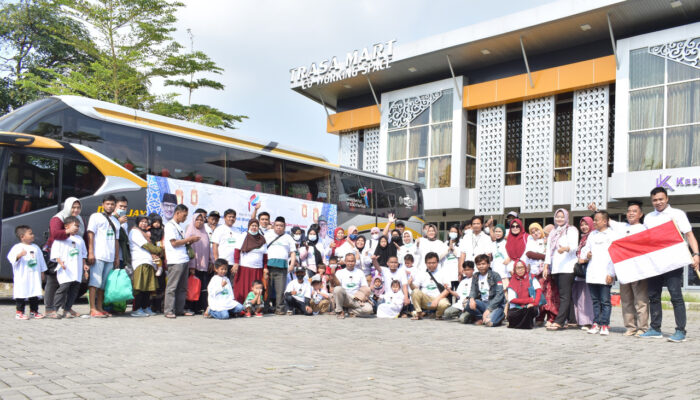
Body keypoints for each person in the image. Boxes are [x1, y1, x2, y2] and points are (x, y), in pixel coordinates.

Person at [641, 187, 700, 342]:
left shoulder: (677, 214)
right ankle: (655, 328)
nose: (658, 202)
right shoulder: (648, 218)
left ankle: (680, 331)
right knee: (653, 296)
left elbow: (689, 235)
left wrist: (696, 254)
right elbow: (645, 240)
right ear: (651, 201)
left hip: (673, 262)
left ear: (667, 199)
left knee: (676, 296)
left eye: (661, 199)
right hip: (654, 263)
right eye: (655, 200)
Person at [589, 200, 649, 336]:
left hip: (638, 269)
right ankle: (630, 327)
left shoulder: (644, 228)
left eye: (634, 211)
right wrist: (595, 210)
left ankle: (642, 328)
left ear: (641, 214)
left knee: (640, 300)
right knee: (627, 299)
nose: (631, 213)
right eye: (629, 211)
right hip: (623, 269)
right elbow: (606, 220)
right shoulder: (621, 226)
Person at [45, 196, 84, 319]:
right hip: (57, 254)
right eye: (73, 207)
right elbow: (55, 234)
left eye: (78, 207)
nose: (76, 210)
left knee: (70, 284)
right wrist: (69, 231)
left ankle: (67, 308)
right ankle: (49, 309)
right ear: (68, 207)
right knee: (53, 282)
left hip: (73, 255)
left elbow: (83, 236)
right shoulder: (58, 218)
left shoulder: (79, 219)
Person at [579, 211, 617, 336]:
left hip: (605, 272)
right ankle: (596, 323)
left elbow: (614, 255)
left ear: (605, 221)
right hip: (592, 272)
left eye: (597, 220)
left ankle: (605, 324)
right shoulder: (592, 235)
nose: (594, 222)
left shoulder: (612, 234)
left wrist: (611, 273)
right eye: (594, 220)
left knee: (605, 301)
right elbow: (585, 250)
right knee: (595, 301)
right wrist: (587, 254)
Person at [544, 208, 579, 331]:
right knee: (565, 295)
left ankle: (559, 321)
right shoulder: (553, 232)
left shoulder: (571, 230)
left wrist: (565, 248)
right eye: (557, 216)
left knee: (564, 296)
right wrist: (546, 266)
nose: (559, 219)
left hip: (567, 267)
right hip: (556, 268)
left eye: (562, 216)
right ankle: (572, 321)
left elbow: (575, 246)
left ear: (566, 217)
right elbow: (548, 250)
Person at [86, 195, 121, 318]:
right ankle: (92, 308)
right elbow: (90, 234)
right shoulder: (95, 216)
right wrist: (90, 252)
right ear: (103, 204)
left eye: (112, 204)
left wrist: (116, 257)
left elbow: (116, 240)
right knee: (94, 282)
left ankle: (100, 308)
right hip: (98, 255)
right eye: (107, 204)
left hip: (110, 257)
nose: (110, 206)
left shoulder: (117, 221)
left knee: (103, 285)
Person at [163, 204, 200, 319]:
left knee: (183, 287)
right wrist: (189, 239)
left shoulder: (179, 227)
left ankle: (179, 309)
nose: (185, 218)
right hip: (175, 260)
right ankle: (168, 310)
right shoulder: (169, 226)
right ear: (177, 213)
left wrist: (190, 242)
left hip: (183, 259)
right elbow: (174, 243)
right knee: (172, 287)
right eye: (184, 215)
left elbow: (181, 243)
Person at [50, 216, 87, 318]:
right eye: (75, 225)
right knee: (63, 288)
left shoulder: (79, 239)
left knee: (74, 290)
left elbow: (83, 254)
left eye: (78, 226)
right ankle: (54, 309)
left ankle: (67, 309)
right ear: (66, 226)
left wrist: (84, 265)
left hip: (77, 269)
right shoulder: (61, 239)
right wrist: (60, 262)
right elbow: (56, 253)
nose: (77, 228)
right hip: (66, 269)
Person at [8, 226, 46, 319]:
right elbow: (11, 258)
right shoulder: (17, 247)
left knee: (34, 292)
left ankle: (34, 311)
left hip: (34, 275)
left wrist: (42, 272)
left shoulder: (36, 247)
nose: (33, 235)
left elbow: (41, 261)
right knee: (21, 292)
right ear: (22, 236)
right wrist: (19, 255)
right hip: (22, 276)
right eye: (30, 234)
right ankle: (20, 312)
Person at [129, 215, 163, 317]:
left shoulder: (146, 234)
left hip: (149, 263)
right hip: (140, 262)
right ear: (137, 222)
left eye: (145, 222)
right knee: (139, 287)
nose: (144, 224)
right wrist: (159, 250)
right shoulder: (135, 232)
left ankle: (145, 307)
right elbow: (147, 246)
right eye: (142, 222)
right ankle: (136, 309)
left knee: (148, 288)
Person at [525, 222, 558, 325]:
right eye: (532, 232)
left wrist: (539, 256)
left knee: (550, 295)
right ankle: (540, 316)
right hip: (536, 273)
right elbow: (529, 254)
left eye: (537, 230)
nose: (535, 233)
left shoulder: (548, 241)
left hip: (548, 272)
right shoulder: (530, 241)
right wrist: (543, 256)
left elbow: (551, 255)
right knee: (539, 294)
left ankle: (551, 317)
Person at [264, 216, 297, 314]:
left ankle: (279, 309)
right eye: (277, 225)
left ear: (285, 227)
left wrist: (291, 265)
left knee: (280, 290)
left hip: (282, 268)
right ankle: (265, 308)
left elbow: (293, 252)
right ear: (273, 225)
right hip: (268, 266)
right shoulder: (267, 235)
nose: (279, 227)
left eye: (281, 226)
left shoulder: (288, 237)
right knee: (267, 289)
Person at [233, 219, 268, 304]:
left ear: (258, 227)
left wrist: (265, 268)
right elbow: (237, 250)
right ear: (249, 227)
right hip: (244, 268)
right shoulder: (243, 236)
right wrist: (236, 263)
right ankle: (242, 307)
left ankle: (254, 307)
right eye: (252, 225)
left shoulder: (262, 239)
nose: (254, 227)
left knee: (256, 288)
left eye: (256, 226)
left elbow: (265, 255)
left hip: (257, 269)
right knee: (242, 288)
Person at [465, 254, 505, 327]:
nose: (481, 266)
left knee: (490, 323)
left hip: (495, 305)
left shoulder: (495, 275)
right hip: (483, 303)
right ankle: (481, 317)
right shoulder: (475, 276)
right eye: (478, 264)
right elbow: (473, 290)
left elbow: (500, 295)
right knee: (467, 304)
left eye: (483, 264)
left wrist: (489, 309)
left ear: (488, 264)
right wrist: (471, 299)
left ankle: (499, 316)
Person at [409, 252, 451, 320]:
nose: (431, 265)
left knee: (444, 304)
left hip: (438, 301)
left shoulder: (443, 273)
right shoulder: (421, 273)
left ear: (437, 262)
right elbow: (415, 288)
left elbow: (448, 290)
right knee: (415, 292)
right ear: (425, 263)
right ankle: (418, 313)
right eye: (429, 263)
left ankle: (438, 315)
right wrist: (411, 284)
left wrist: (436, 300)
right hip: (427, 303)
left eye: (433, 263)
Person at [572, 217, 595, 330]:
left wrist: (585, 259)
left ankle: (588, 321)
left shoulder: (593, 237)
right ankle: (580, 320)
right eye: (582, 225)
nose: (584, 227)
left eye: (586, 224)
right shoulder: (582, 239)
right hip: (579, 271)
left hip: (588, 270)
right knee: (579, 296)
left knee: (587, 297)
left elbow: (594, 253)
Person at [185, 209, 210, 315]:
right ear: (193, 220)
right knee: (192, 287)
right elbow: (188, 250)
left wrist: (211, 262)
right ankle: (189, 307)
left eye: (201, 220)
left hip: (204, 265)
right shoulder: (190, 232)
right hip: (193, 266)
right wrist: (192, 266)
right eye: (197, 220)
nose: (200, 222)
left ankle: (199, 307)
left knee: (202, 287)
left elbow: (209, 248)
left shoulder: (205, 233)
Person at [333, 253, 372, 318]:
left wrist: (361, 297)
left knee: (369, 310)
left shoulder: (360, 272)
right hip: (345, 298)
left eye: (352, 261)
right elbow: (338, 286)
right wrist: (333, 275)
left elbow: (364, 287)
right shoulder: (339, 272)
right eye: (348, 261)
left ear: (355, 262)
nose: (350, 263)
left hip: (356, 299)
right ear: (345, 262)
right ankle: (339, 311)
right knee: (337, 289)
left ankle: (350, 311)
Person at [506, 259, 542, 329]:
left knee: (530, 310)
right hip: (517, 308)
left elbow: (539, 291)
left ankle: (526, 324)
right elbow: (512, 299)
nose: (520, 270)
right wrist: (529, 300)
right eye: (517, 268)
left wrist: (534, 303)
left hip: (530, 306)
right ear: (514, 269)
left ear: (525, 268)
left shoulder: (531, 277)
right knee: (512, 315)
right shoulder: (512, 281)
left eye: (522, 267)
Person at [147, 213, 166, 312]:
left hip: (161, 258)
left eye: (159, 222)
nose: (157, 224)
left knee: (160, 284)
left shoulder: (163, 232)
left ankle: (159, 306)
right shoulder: (148, 232)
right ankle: (150, 306)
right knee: (151, 284)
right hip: (151, 258)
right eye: (155, 222)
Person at [503, 218, 528, 288]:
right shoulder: (508, 239)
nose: (515, 228)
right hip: (511, 270)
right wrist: (511, 267)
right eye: (513, 226)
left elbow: (528, 252)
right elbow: (507, 255)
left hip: (524, 267)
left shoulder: (526, 237)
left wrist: (519, 265)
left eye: (517, 226)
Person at [443, 225, 462, 295]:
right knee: (448, 294)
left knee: (458, 293)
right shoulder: (444, 243)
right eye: (451, 231)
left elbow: (460, 256)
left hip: (456, 273)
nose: (453, 233)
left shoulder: (461, 243)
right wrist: (448, 249)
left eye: (455, 232)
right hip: (447, 274)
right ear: (448, 233)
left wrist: (453, 249)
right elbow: (440, 257)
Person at [490, 224, 508, 289]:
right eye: (496, 231)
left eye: (499, 231)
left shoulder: (507, 243)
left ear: (503, 233)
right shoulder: (492, 244)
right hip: (495, 272)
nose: (497, 233)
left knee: (505, 291)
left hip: (505, 273)